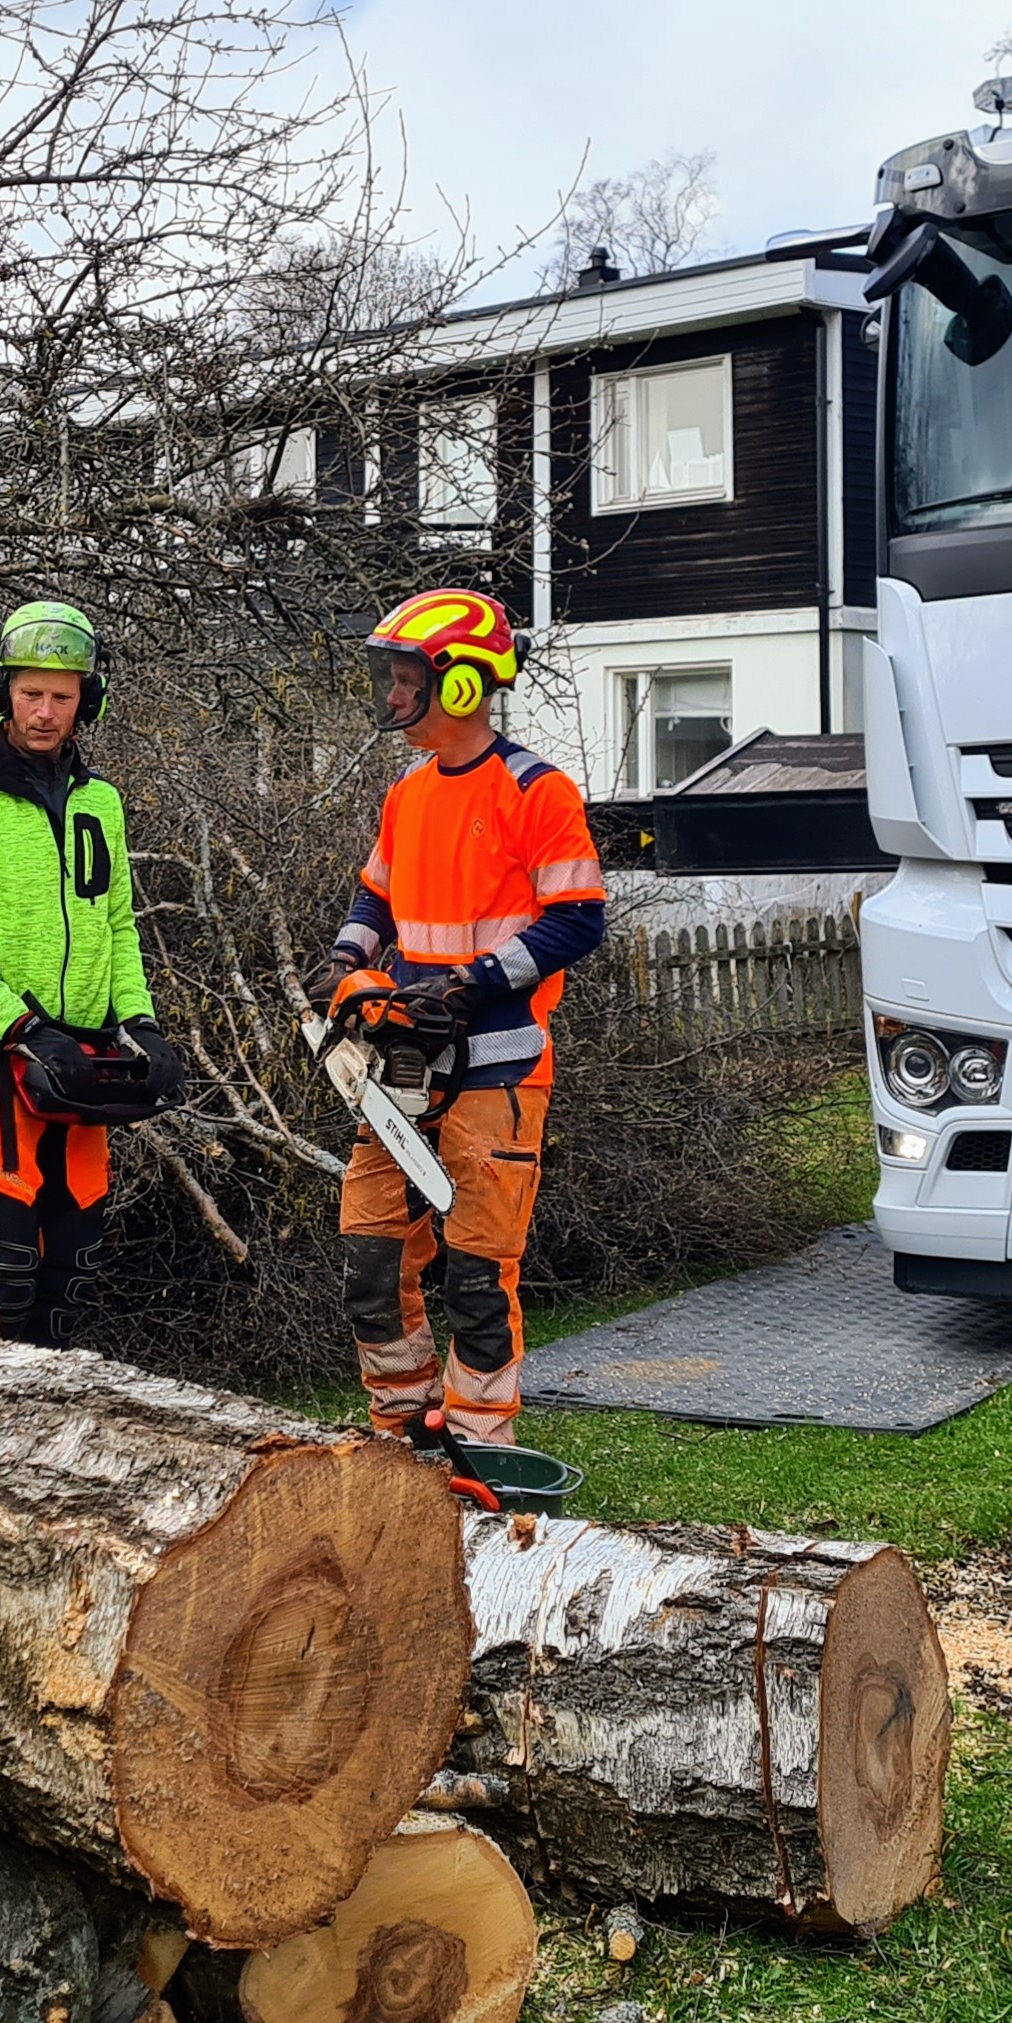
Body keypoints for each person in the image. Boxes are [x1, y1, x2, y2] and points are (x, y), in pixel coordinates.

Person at [312, 587, 606, 1447]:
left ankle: (482, 1439)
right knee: (371, 1262)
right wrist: (344, 961)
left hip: (497, 1061)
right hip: (399, 1061)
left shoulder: (536, 792)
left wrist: (472, 985)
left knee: (477, 1271)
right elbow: (376, 899)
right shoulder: (407, 792)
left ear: (466, 686)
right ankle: (400, 1431)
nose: (393, 698)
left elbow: (576, 917)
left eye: (408, 680)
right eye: (390, 679)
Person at [0, 597, 183, 1346]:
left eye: (61, 696)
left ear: (84, 702)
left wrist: (140, 1024)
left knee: (72, 1247)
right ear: (2, 691)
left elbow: (116, 925)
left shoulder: (101, 802)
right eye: (31, 693)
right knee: (0, 1254)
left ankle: (53, 1405)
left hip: (82, 1056)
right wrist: (21, 1027)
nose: (44, 711)